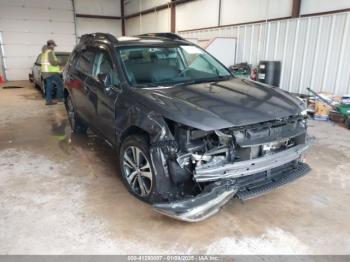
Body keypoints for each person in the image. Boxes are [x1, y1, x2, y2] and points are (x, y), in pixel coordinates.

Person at [41, 40, 65, 105]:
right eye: (54, 45)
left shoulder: (45, 52)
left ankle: (48, 100)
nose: (54, 46)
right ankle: (60, 98)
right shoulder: (50, 52)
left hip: (46, 72)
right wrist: (60, 63)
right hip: (51, 72)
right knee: (60, 84)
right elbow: (53, 63)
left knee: (49, 86)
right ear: (51, 45)